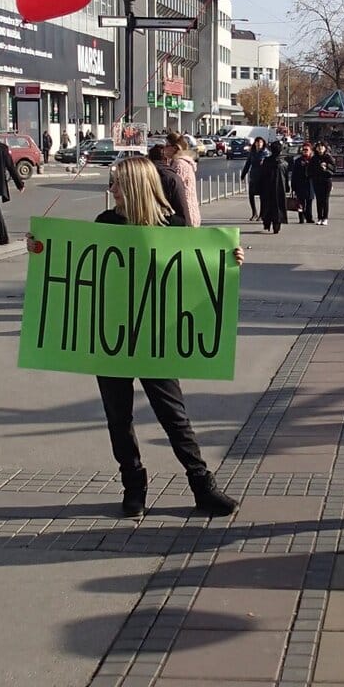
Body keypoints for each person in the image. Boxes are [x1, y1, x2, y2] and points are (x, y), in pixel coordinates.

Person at [90, 155, 242, 518]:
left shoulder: (172, 226)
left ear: (135, 187)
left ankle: (201, 484)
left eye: (116, 183)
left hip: (157, 335)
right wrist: (41, 249)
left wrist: (228, 261)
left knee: (173, 414)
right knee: (119, 416)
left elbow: (194, 274)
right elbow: (83, 265)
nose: (111, 189)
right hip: (112, 335)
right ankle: (134, 485)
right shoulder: (105, 223)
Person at [147, 143, 193, 225]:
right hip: (169, 226)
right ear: (166, 159)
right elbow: (182, 211)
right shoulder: (173, 177)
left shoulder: (143, 175)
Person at [165, 132, 201, 228]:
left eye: (167, 145)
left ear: (175, 148)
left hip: (186, 215)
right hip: (187, 213)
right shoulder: (179, 162)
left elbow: (176, 189)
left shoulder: (180, 164)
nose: (164, 148)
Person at [259, 140, 290, 233]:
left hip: (267, 188)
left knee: (267, 206)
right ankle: (277, 224)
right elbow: (286, 177)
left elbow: (262, 175)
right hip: (280, 189)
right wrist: (287, 187)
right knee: (278, 207)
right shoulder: (284, 163)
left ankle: (267, 223)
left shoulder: (266, 161)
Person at [289, 142, 317, 224]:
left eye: (307, 150)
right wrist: (293, 186)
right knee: (300, 202)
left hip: (310, 184)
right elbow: (294, 174)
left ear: (310, 151)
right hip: (300, 184)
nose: (305, 151)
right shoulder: (298, 161)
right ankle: (301, 217)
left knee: (309, 202)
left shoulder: (313, 160)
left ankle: (309, 217)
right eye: (303, 150)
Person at [242, 136, 268, 221]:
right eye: (257, 142)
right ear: (255, 143)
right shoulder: (252, 153)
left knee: (262, 196)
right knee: (251, 195)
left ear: (263, 143)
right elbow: (247, 164)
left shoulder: (266, 153)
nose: (259, 144)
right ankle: (254, 213)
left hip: (263, 177)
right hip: (253, 176)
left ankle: (262, 214)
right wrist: (243, 174)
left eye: (260, 142)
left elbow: (269, 165)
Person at [309, 141, 335, 225]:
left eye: (322, 147)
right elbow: (310, 170)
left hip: (326, 180)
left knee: (325, 199)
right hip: (316, 181)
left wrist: (326, 166)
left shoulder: (328, 157)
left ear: (325, 148)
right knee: (319, 199)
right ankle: (319, 217)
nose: (320, 149)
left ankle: (325, 218)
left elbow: (334, 168)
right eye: (318, 147)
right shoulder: (314, 158)